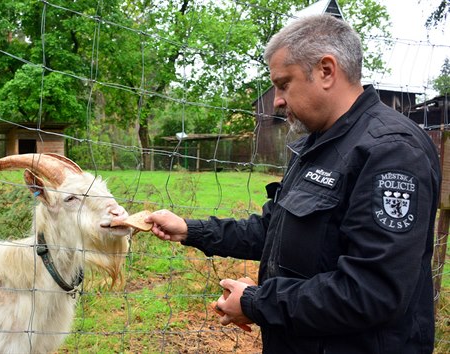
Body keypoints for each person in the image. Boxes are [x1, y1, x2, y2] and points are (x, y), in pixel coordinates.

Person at [145, 14, 440, 353]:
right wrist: (188, 230)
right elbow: (274, 231)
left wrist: (257, 302)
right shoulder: (317, 144)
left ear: (326, 71)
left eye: (284, 84)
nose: (277, 101)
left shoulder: (390, 150)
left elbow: (372, 291)